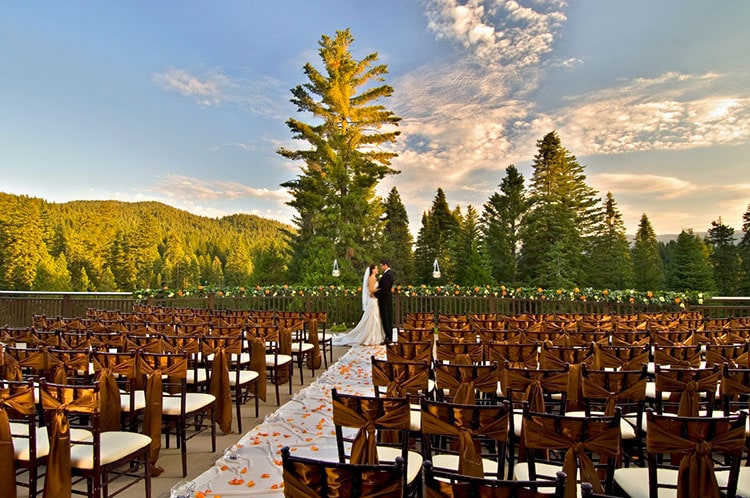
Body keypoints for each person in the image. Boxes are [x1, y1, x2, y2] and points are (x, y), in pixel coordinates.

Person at [332, 264, 384, 346]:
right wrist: (381, 289)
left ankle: (374, 335)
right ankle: (370, 336)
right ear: (373, 270)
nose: (378, 270)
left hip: (374, 300)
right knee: (372, 317)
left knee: (375, 317)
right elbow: (371, 290)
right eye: (376, 268)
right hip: (372, 300)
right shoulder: (372, 278)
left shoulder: (374, 278)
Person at [374, 259, 394, 344]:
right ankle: (388, 336)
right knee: (387, 317)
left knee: (386, 318)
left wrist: (375, 294)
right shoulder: (388, 274)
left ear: (385, 265)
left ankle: (389, 337)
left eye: (381, 265)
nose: (381, 267)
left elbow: (385, 289)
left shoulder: (387, 275)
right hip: (386, 299)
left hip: (385, 299)